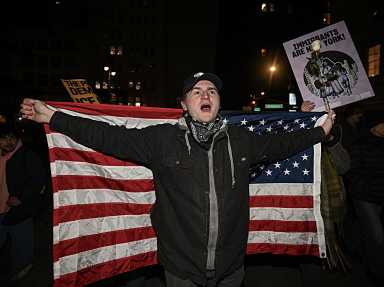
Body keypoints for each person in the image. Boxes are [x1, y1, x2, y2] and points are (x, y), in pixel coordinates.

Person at [20, 72, 335, 287]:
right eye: (196, 92)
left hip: (231, 266)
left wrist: (319, 131)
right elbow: (108, 136)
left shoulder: (241, 140)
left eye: (211, 90)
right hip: (181, 267)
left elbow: (282, 144)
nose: (205, 95)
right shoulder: (162, 140)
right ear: (183, 104)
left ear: (218, 102)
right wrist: (53, 117)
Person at [300, 100, 351, 272]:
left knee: (335, 232)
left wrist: (331, 143)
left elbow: (345, 167)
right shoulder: (305, 148)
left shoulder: (332, 145)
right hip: (312, 202)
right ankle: (322, 259)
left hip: (333, 203)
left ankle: (334, 257)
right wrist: (303, 116)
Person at [0, 115, 46, 284]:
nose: (9, 142)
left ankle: (21, 275)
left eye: (11, 138)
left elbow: (38, 181)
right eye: (4, 139)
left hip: (18, 211)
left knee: (22, 246)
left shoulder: (27, 155)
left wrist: (21, 198)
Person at [347, 113, 384, 287]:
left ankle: (362, 253)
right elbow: (354, 172)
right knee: (377, 236)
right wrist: (365, 189)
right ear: (374, 126)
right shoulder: (359, 145)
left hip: (379, 195)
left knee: (370, 233)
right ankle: (375, 271)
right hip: (365, 197)